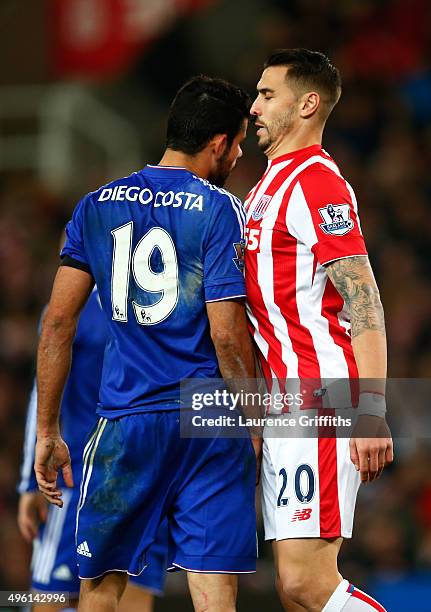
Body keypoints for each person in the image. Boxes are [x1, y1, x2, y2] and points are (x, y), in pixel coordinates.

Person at [35, 75, 260, 612]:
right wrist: (254, 419)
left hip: (124, 420)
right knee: (213, 589)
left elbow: (57, 324)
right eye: (239, 145)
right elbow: (227, 336)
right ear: (219, 144)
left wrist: (48, 428)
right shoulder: (219, 208)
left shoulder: (96, 206)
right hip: (208, 418)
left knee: (101, 588)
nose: (237, 156)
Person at [245, 49, 394, 612]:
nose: (254, 106)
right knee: (294, 590)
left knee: (308, 583)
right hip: (286, 405)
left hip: (321, 397)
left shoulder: (316, 184)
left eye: (267, 94)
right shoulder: (267, 187)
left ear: (307, 104)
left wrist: (371, 409)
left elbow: (366, 304)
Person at [18, 287, 168, 612]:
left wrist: (31, 483)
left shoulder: (70, 308)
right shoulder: (170, 302)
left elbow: (41, 396)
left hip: (82, 481)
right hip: (149, 481)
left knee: (49, 603)